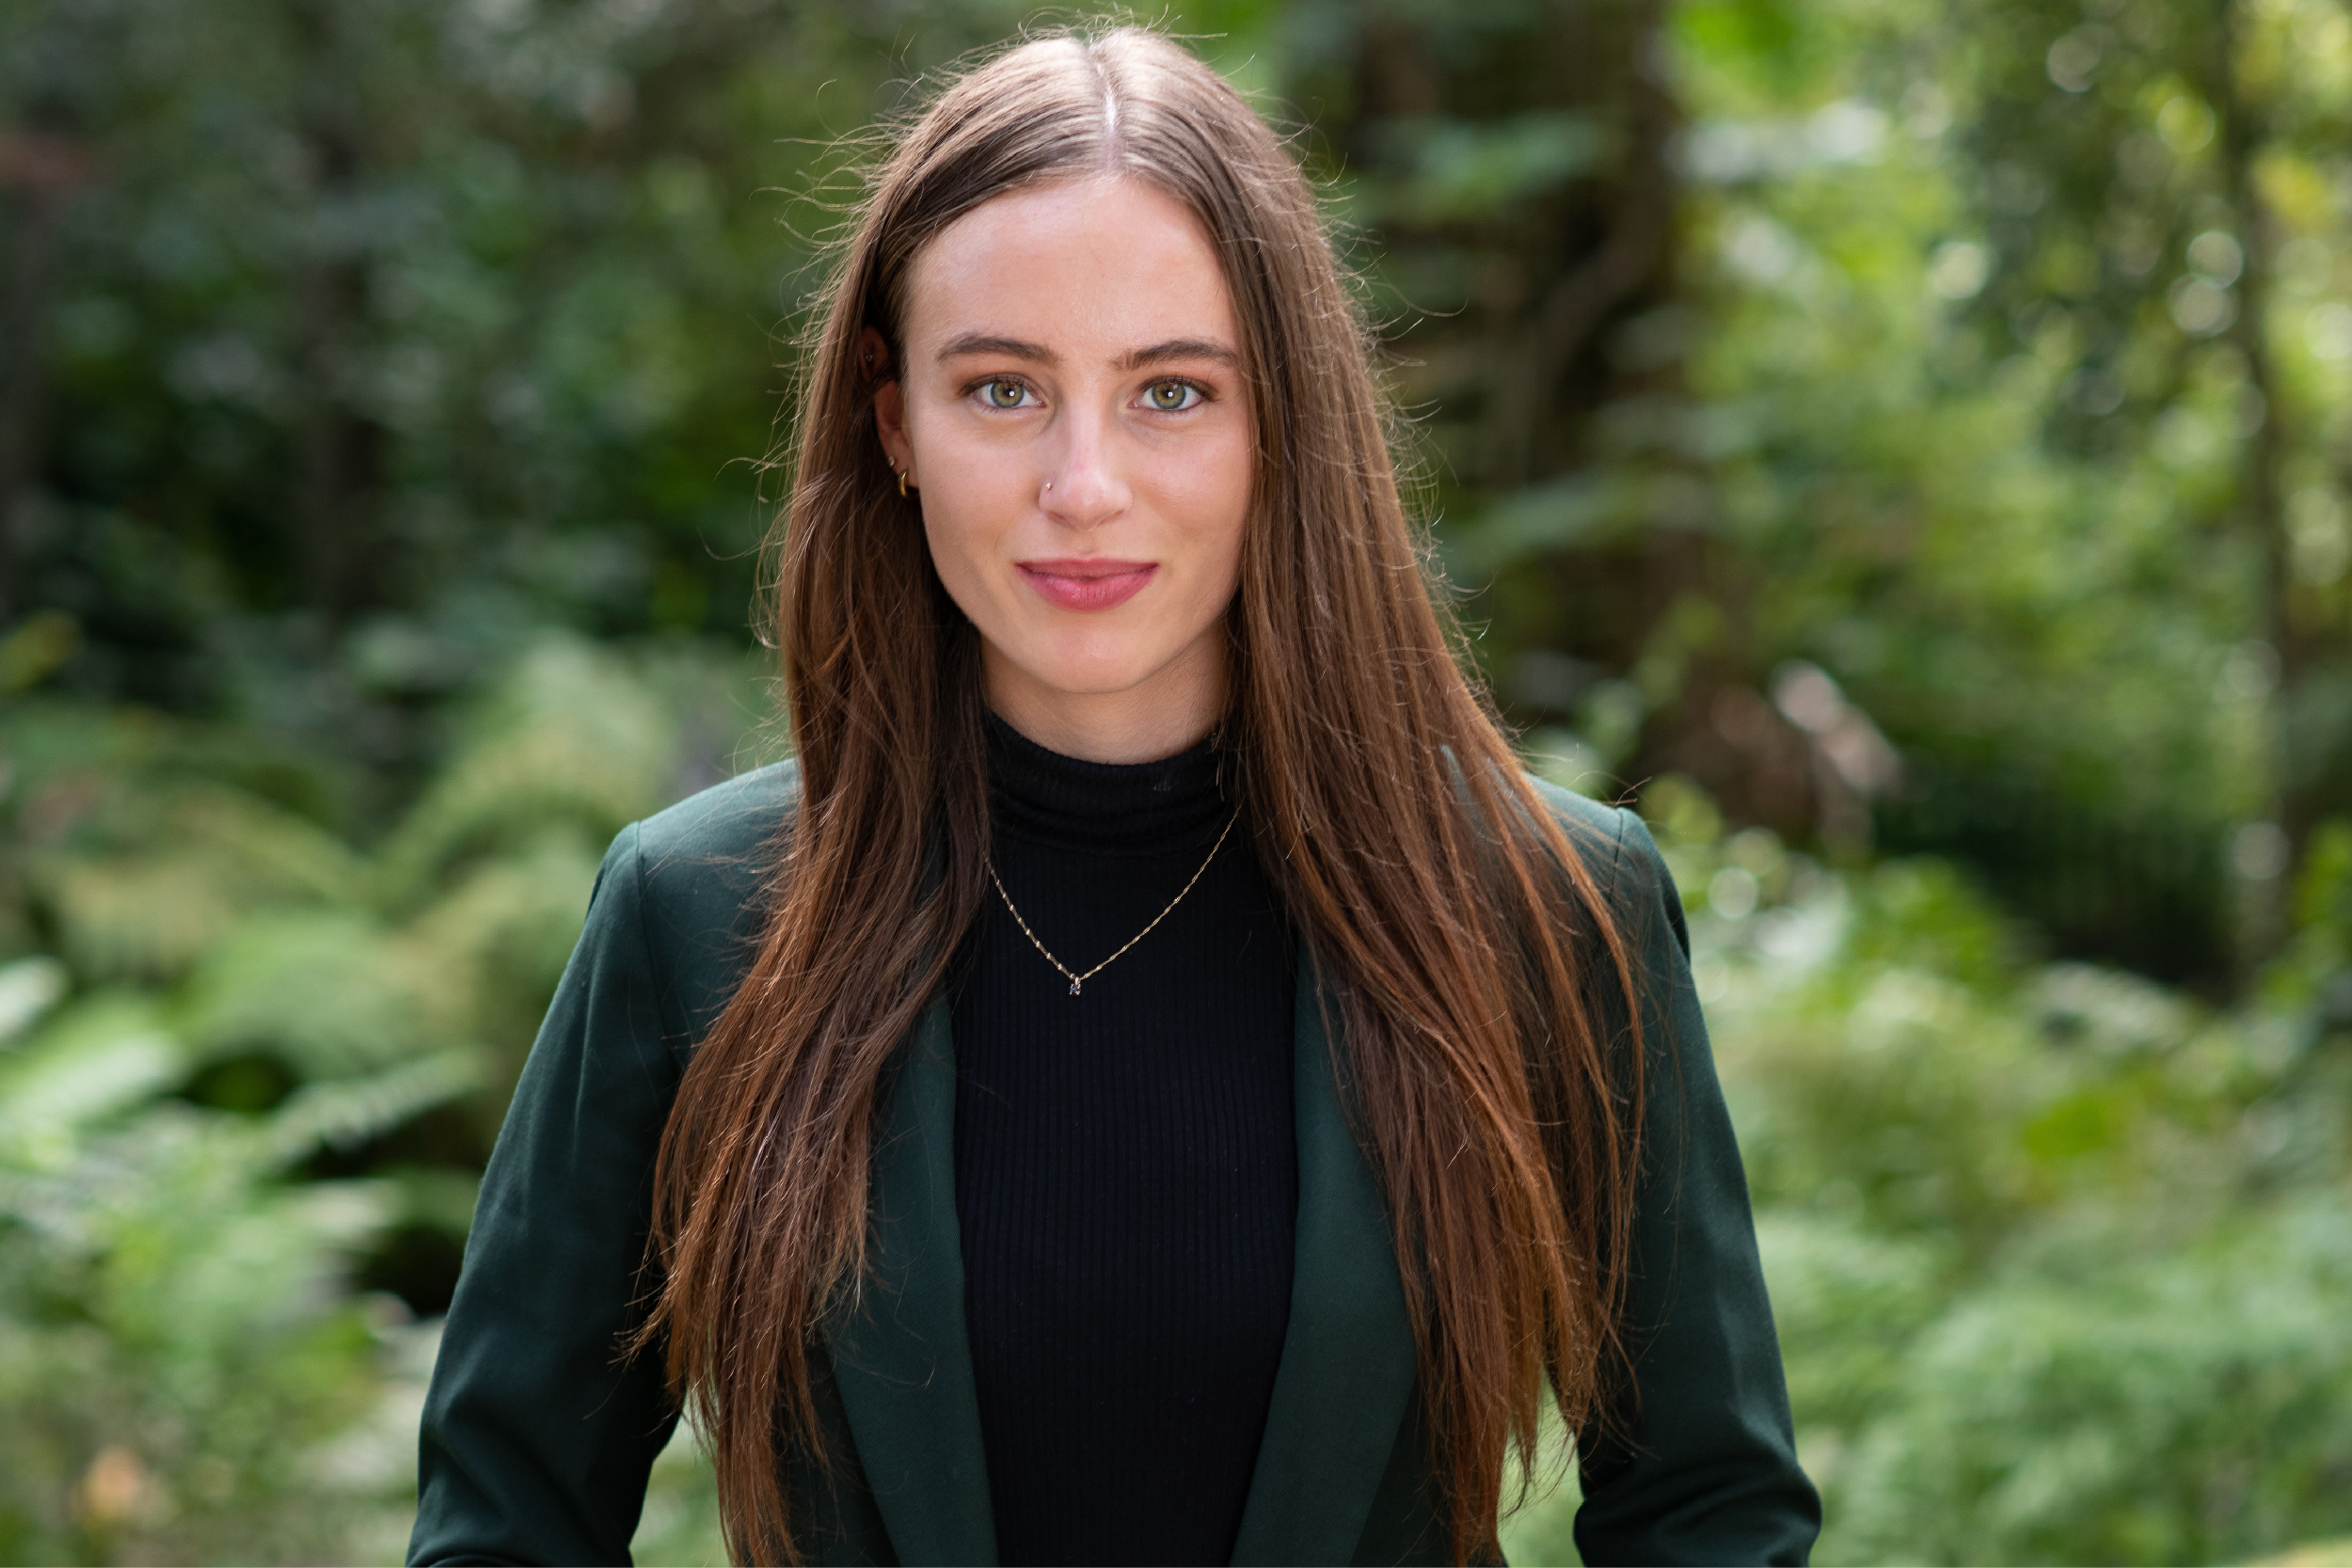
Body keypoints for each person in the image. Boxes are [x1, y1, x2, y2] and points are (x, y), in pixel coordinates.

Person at [407, 25, 1820, 1568]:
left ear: (1279, 423)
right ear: (896, 424)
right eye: (1004, 389)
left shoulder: (1548, 904)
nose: (1084, 484)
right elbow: (505, 1517)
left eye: (1171, 392)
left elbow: (1708, 1512)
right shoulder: (696, 914)